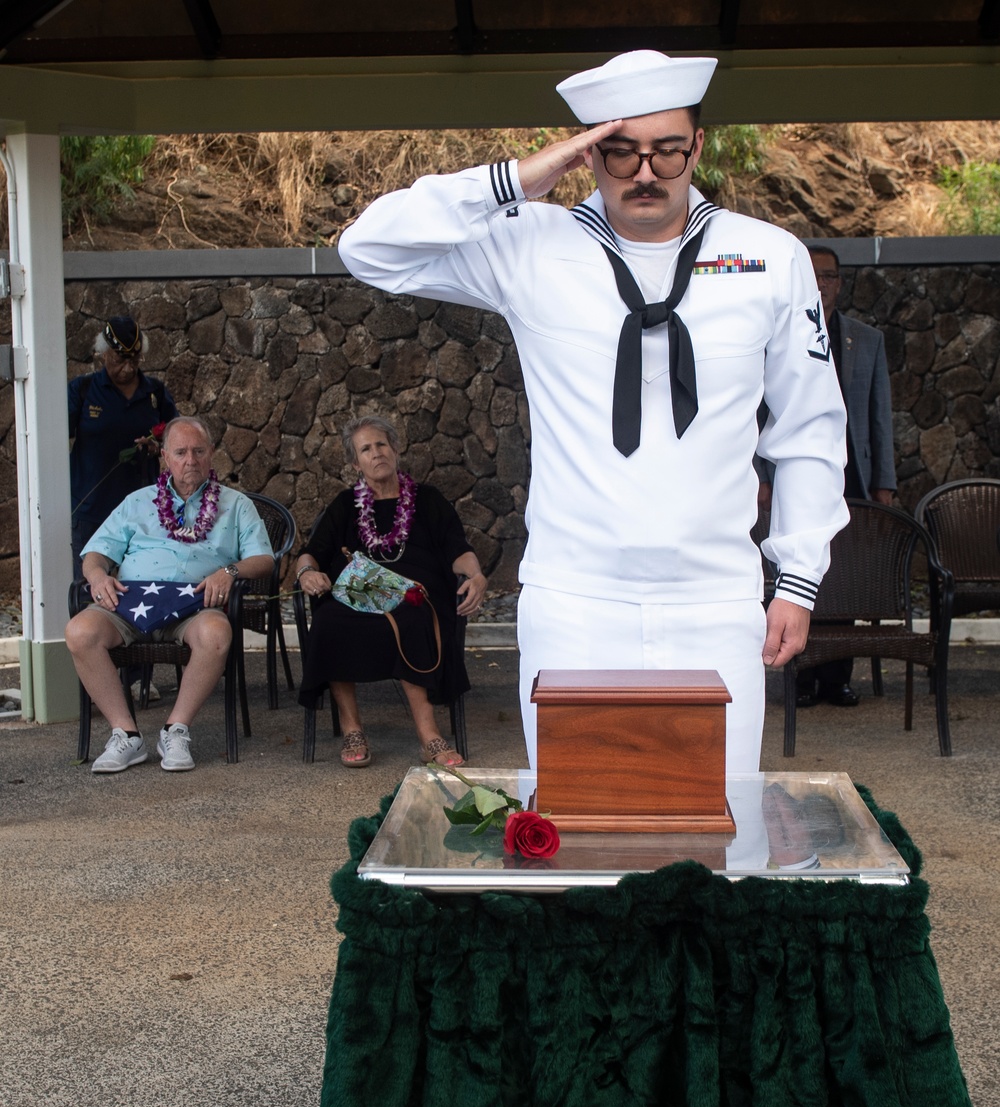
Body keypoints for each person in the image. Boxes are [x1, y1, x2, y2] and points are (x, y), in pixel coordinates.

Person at [338, 49, 849, 773]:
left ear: (698, 146)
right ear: (587, 153)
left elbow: (810, 427)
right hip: (575, 598)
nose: (645, 172)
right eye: (620, 151)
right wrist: (516, 180)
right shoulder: (531, 246)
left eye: (668, 151)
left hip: (713, 598)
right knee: (575, 824)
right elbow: (367, 248)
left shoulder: (768, 256)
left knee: (716, 823)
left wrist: (798, 577)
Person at [65, 417, 273, 773]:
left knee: (216, 633)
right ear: (165, 458)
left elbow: (264, 559)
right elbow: (96, 553)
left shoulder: (236, 505)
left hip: (195, 604)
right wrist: (97, 575)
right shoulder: (138, 501)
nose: (190, 459)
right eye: (180, 452)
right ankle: (126, 735)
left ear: (211, 455)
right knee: (80, 632)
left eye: (198, 451)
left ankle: (175, 730)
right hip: (131, 600)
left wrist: (230, 571)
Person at [295, 415, 487, 768]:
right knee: (327, 621)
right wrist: (307, 572)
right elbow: (312, 552)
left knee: (410, 615)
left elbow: (456, 548)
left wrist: (476, 575)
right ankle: (352, 728)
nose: (376, 453)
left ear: (396, 450)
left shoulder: (427, 500)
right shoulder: (344, 505)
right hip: (360, 597)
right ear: (356, 463)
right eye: (366, 449)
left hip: (417, 597)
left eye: (382, 444)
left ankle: (429, 735)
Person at [794, 244, 897, 709]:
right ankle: (803, 677)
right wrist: (763, 477)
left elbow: (880, 416)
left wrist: (885, 484)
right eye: (813, 274)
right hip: (796, 474)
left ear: (839, 282)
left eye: (829, 275)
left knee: (847, 573)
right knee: (802, 571)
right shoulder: (786, 331)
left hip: (853, 474)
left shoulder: (865, 339)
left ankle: (838, 678)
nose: (821, 282)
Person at [69, 315, 178, 574]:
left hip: (143, 510)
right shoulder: (83, 390)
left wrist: (157, 445)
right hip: (91, 508)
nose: (128, 368)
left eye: (134, 360)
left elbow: (176, 434)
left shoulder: (155, 392)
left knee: (141, 582)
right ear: (103, 355)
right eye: (120, 360)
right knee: (89, 585)